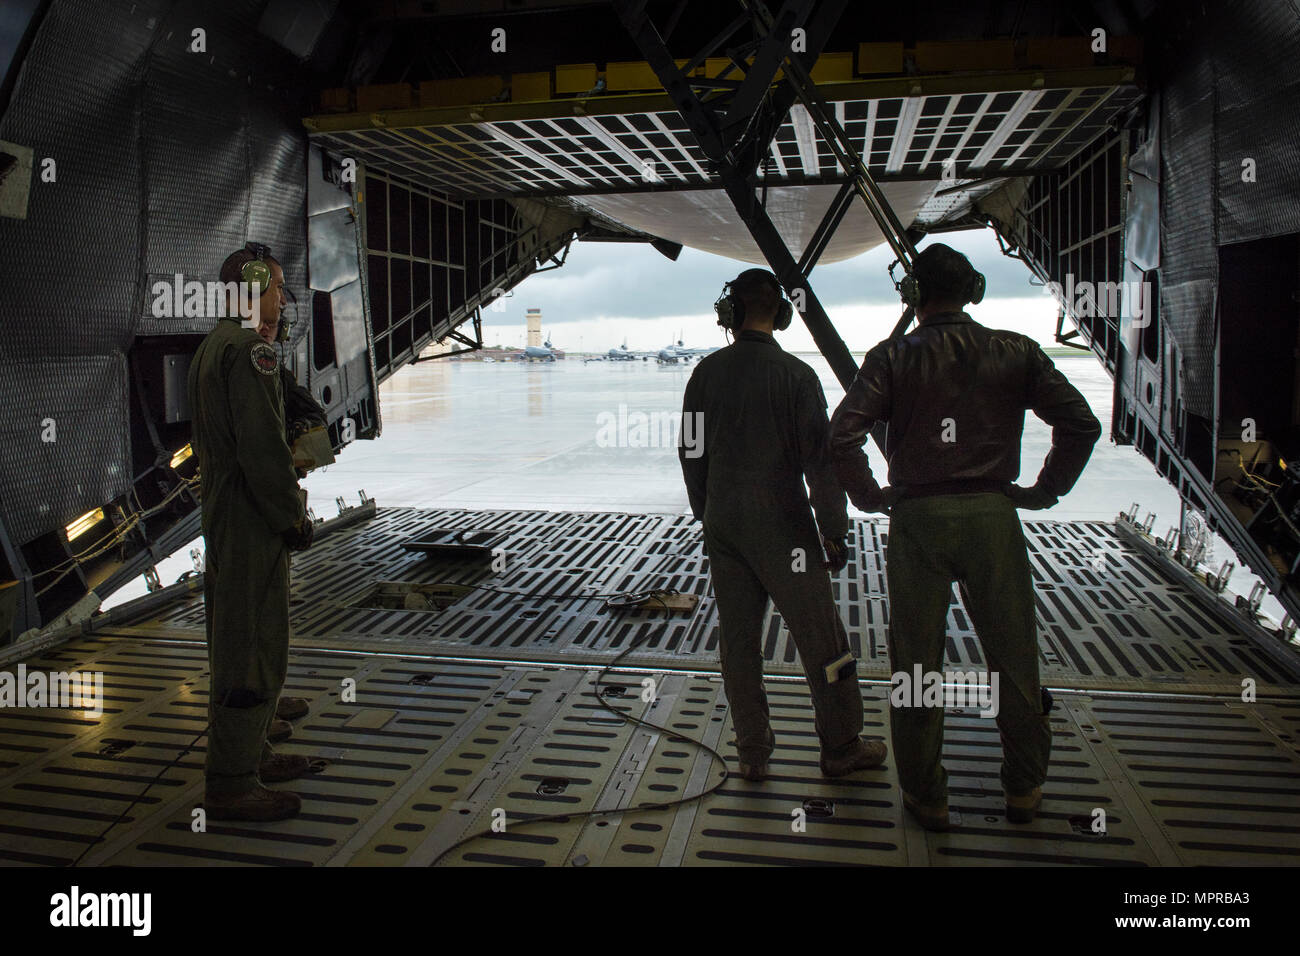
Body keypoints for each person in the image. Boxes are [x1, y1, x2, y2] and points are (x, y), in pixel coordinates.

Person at [829, 242, 1102, 830]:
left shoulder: (891, 357)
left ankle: (928, 798)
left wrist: (871, 497)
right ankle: (1024, 792)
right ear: (973, 289)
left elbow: (842, 437)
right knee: (1013, 657)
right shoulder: (1017, 351)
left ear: (913, 296)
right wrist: (1041, 491)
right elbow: (1081, 423)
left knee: (916, 666)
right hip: (991, 516)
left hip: (918, 519)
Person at [679, 268, 888, 782]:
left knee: (739, 641)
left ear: (729, 314)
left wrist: (708, 510)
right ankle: (840, 747)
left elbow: (691, 450)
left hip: (725, 522)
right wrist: (833, 526)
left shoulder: (705, 373)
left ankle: (752, 751)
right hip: (784, 525)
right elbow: (819, 461)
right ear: (782, 314)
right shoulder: (797, 376)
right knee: (824, 643)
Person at [188, 243, 316, 821]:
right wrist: (292, 518)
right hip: (251, 519)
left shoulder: (216, 343)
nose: (282, 301)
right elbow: (264, 450)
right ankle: (234, 781)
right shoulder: (250, 353)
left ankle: (253, 747)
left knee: (233, 636)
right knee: (254, 648)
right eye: (277, 288)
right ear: (256, 286)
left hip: (224, 512)